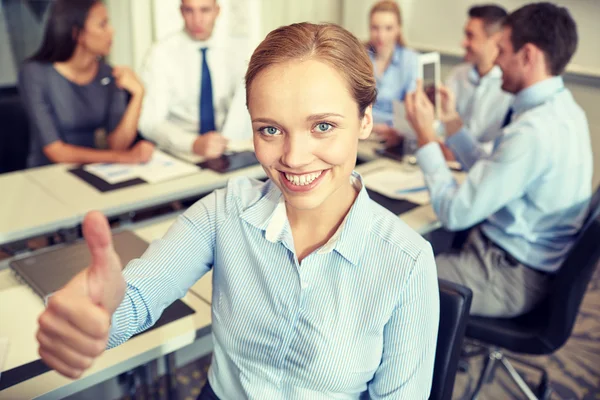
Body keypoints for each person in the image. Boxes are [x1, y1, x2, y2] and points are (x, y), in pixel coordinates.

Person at [36, 22, 440, 399]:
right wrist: (94, 316)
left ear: (365, 120)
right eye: (271, 129)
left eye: (323, 126)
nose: (294, 158)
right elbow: (138, 297)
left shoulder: (407, 262)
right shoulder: (225, 211)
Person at [405, 3, 593, 318]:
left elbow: (453, 211)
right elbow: (495, 166)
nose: (496, 61)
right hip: (522, 260)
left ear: (528, 55)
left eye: (502, 51)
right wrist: (451, 123)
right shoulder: (563, 109)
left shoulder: (534, 132)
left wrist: (425, 136)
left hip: (508, 275)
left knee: (402, 273)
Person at [19, 0, 154, 168]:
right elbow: (55, 151)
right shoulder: (34, 73)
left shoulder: (108, 75)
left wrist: (138, 95)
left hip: (95, 170)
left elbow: (118, 145)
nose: (112, 31)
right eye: (102, 25)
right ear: (77, 33)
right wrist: (125, 157)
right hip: (48, 174)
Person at [138, 0, 250, 159]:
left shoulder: (236, 51)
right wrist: (192, 143)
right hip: (180, 150)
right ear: (181, 12)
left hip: (227, 146)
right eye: (189, 11)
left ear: (217, 11)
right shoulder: (161, 54)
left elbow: (243, 106)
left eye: (204, 10)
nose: (197, 20)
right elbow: (150, 122)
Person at [443, 4, 512, 152]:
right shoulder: (457, 75)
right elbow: (439, 125)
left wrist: (457, 150)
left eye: (470, 36)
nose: (463, 43)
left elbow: (503, 148)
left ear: (496, 39)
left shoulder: (510, 87)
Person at [367, 0, 419, 146]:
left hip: (395, 139)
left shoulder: (411, 60)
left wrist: (395, 129)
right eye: (375, 28)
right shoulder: (360, 57)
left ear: (398, 29)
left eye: (388, 28)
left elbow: (411, 112)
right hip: (362, 134)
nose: (381, 35)